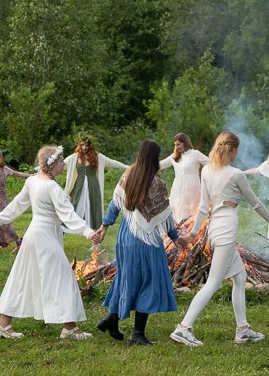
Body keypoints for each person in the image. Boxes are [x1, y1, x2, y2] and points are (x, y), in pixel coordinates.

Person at [170, 132, 269, 347]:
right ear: (232, 150)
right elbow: (255, 203)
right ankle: (183, 328)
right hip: (226, 232)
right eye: (237, 150)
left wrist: (193, 234)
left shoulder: (207, 171)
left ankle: (243, 330)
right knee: (213, 282)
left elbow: (203, 208)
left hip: (215, 230)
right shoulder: (235, 174)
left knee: (240, 277)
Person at [0, 145, 99, 341]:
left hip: (33, 235)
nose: (64, 164)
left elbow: (16, 206)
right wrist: (88, 232)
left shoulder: (33, 181)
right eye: (61, 160)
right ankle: (70, 328)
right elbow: (68, 215)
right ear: (52, 163)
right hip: (44, 236)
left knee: (22, 278)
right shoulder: (52, 187)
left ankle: (2, 324)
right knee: (62, 278)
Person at [95, 140, 191, 345]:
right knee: (149, 281)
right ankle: (137, 333)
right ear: (155, 158)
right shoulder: (157, 184)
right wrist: (176, 238)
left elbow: (114, 203)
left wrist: (104, 226)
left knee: (127, 277)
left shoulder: (128, 174)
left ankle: (112, 319)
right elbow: (165, 218)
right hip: (145, 240)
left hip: (125, 235)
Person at [65, 133, 128, 251]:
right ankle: (61, 234)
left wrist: (129, 168)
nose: (84, 147)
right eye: (82, 145)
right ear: (79, 145)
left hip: (93, 187)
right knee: (70, 208)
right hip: (78, 188)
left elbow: (113, 162)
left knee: (94, 211)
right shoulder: (74, 158)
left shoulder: (98, 157)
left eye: (86, 145)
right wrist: (43, 170)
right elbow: (59, 165)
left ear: (90, 145)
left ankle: (96, 243)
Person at [158, 133, 209, 227]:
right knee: (176, 212)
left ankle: (193, 232)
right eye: (175, 145)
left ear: (185, 143)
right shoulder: (174, 157)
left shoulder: (195, 154)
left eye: (178, 144)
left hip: (192, 189)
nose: (176, 147)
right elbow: (160, 165)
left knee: (192, 214)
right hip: (177, 190)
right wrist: (143, 165)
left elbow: (210, 163)